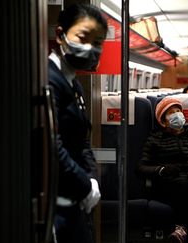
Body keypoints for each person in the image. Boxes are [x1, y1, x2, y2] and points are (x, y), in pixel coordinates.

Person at [48, 3, 108, 243]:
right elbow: (52, 144)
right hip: (57, 203)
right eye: (83, 38)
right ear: (60, 35)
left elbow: (83, 140)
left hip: (76, 201)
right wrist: (84, 185)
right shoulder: (49, 80)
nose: (90, 49)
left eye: (98, 44)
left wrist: (92, 179)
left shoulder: (74, 84)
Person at [136, 96, 188, 243]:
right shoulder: (155, 139)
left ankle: (180, 231)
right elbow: (140, 168)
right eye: (171, 113)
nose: (177, 114)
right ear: (163, 121)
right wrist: (162, 170)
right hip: (168, 185)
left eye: (178, 110)